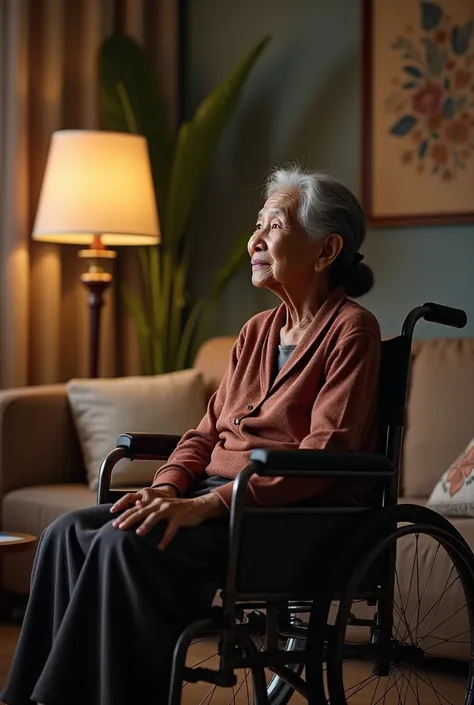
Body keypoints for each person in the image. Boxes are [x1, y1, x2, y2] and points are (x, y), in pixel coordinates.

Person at [1, 166, 381, 705]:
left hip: (282, 518)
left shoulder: (352, 330)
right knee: (68, 533)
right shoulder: (255, 332)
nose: (254, 240)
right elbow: (204, 434)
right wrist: (169, 488)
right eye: (258, 224)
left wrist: (208, 505)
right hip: (215, 501)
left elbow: (323, 457)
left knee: (121, 544)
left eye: (273, 226)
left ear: (326, 251)